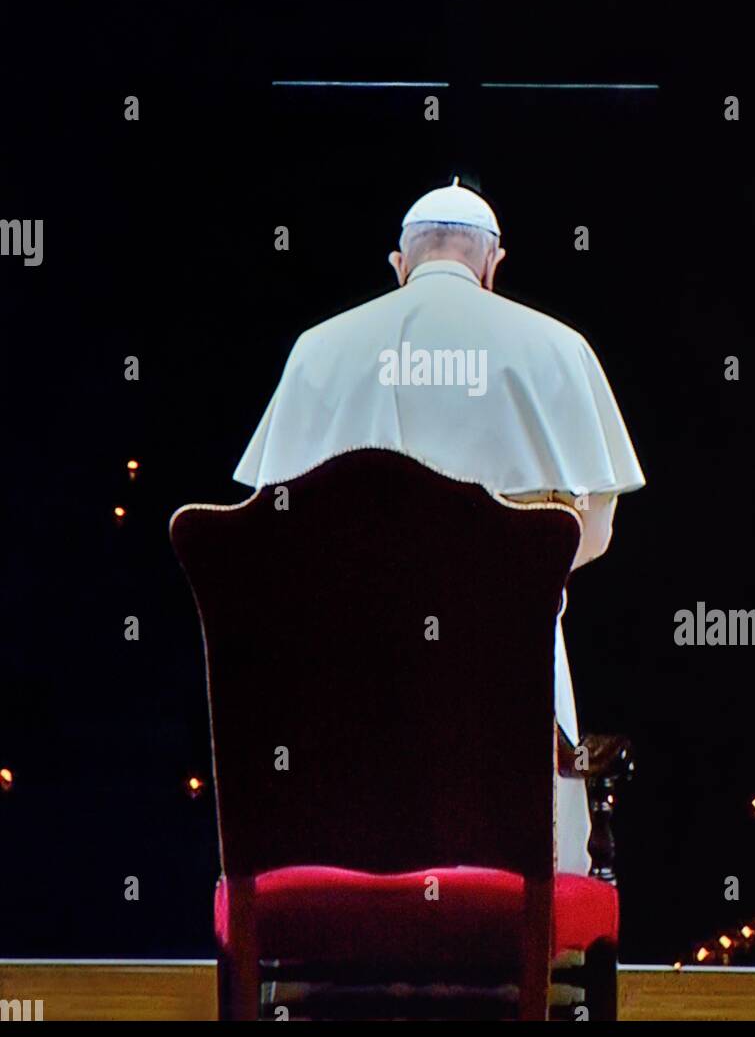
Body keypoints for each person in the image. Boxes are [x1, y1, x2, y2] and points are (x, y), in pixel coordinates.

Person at [234, 177, 645, 872]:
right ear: (493, 265)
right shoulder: (560, 348)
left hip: (350, 675)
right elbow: (591, 533)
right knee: (527, 852)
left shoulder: (317, 350)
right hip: (513, 676)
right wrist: (489, 580)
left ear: (398, 266)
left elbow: (273, 534)